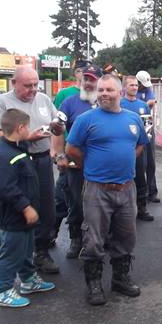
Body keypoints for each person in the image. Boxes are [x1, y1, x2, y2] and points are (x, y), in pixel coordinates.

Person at [66, 74, 149, 306]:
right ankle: (94, 284)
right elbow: (71, 149)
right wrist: (89, 167)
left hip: (127, 189)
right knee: (94, 239)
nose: (103, 94)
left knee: (126, 237)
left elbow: (140, 145)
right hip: (97, 190)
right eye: (101, 90)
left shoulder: (133, 119)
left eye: (109, 90)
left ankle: (120, 279)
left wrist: (125, 161)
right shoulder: (86, 119)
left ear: (120, 93)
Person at [0, 67, 60, 274]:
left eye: (36, 84)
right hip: (16, 162)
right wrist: (27, 137)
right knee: (16, 205)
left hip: (42, 160)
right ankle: (7, 243)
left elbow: (55, 126)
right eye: (27, 85)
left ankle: (41, 251)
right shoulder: (2, 102)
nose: (33, 89)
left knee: (46, 207)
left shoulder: (44, 99)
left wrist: (56, 138)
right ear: (14, 83)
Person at [0, 109, 55, 308]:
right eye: (28, 127)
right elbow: (6, 188)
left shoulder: (17, 149)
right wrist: (25, 208)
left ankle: (28, 280)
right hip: (13, 215)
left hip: (24, 215)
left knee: (26, 248)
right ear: (20, 128)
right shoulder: (7, 155)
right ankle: (3, 290)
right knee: (11, 251)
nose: (29, 130)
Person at [52, 64, 103, 258]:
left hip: (101, 165)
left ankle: (100, 238)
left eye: (92, 79)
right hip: (75, 164)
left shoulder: (108, 102)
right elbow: (57, 129)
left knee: (101, 202)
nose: (88, 83)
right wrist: (59, 155)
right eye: (86, 78)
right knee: (75, 202)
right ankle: (76, 239)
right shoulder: (70, 103)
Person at [52, 59, 87, 245]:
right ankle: (53, 235)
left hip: (94, 161)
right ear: (77, 74)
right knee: (65, 197)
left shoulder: (102, 98)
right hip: (70, 157)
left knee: (92, 201)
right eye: (82, 72)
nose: (86, 78)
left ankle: (96, 238)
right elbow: (57, 126)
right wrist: (59, 154)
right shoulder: (66, 97)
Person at [121, 75, 154, 221]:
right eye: (131, 85)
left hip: (140, 148)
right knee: (124, 178)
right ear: (124, 87)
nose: (134, 87)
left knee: (140, 177)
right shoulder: (119, 104)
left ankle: (142, 208)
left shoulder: (143, 105)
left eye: (136, 85)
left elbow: (148, 126)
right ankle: (122, 209)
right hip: (123, 148)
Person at [136, 70, 159, 203]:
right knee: (140, 163)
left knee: (151, 161)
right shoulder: (130, 91)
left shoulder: (147, 89)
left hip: (147, 126)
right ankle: (141, 192)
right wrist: (145, 103)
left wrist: (143, 103)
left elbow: (152, 101)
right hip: (135, 129)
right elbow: (148, 103)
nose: (145, 87)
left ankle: (152, 191)